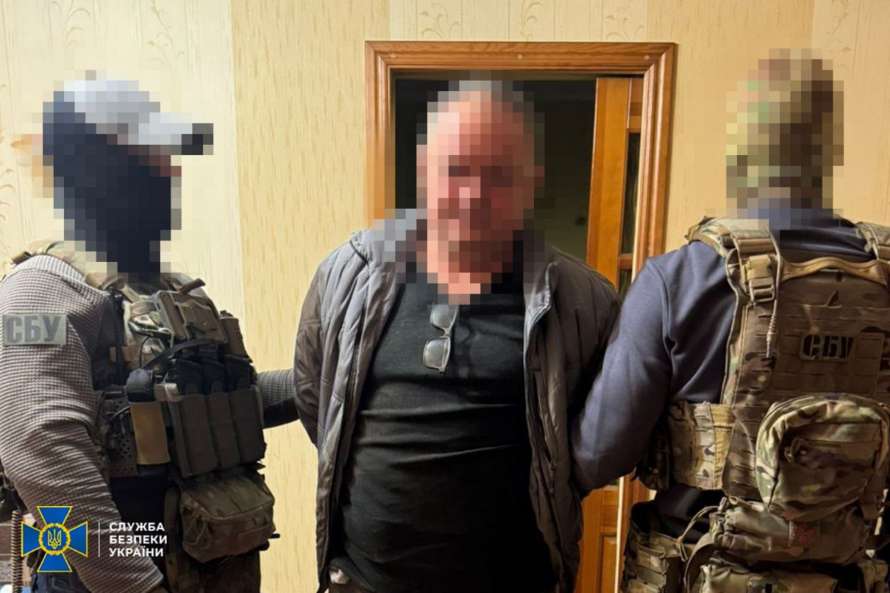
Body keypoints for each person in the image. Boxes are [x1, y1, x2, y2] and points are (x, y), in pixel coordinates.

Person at [571, 50, 890, 592]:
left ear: (738, 153)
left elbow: (600, 454)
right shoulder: (884, 275)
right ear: (830, 152)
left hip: (696, 569)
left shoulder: (679, 277)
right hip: (841, 577)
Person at [293, 79, 619, 593]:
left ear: (532, 182)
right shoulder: (348, 274)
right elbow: (318, 398)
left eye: (499, 175)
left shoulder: (583, 300)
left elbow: (589, 445)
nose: (473, 195)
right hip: (363, 583)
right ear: (425, 168)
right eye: (456, 169)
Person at [0, 77, 297, 593]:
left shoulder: (166, 290)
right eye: (150, 161)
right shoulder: (40, 291)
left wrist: (326, 377)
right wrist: (137, 586)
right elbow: (40, 450)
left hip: (201, 563)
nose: (170, 175)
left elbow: (217, 409)